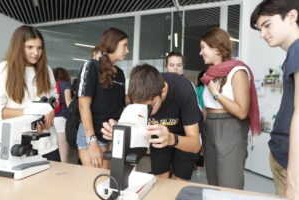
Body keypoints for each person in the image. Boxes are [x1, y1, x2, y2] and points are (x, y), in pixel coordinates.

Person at [102, 64, 202, 181]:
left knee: (180, 179)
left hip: (183, 135)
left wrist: (170, 139)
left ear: (163, 92)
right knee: (160, 177)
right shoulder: (137, 95)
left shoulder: (184, 90)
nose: (146, 113)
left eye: (150, 106)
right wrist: (120, 132)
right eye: (140, 106)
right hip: (158, 135)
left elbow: (195, 145)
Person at [199, 27, 260, 189]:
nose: (200, 52)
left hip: (230, 127)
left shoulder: (238, 71)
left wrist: (216, 94)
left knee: (229, 181)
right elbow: (207, 107)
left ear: (217, 49)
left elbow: (241, 112)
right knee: (213, 180)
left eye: (203, 47)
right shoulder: (210, 74)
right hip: (210, 126)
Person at [250, 0, 299, 198]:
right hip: (282, 155)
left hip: (290, 161)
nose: (262, 34)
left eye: (267, 25)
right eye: (259, 29)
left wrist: (293, 183)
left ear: (291, 16)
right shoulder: (292, 54)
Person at [0, 25, 60, 161]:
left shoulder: (46, 70)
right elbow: (0, 110)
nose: (36, 53)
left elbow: (54, 97)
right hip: (17, 145)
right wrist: (31, 113)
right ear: (18, 46)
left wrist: (51, 110)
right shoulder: (4, 70)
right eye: (30, 47)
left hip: (47, 143)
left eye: (39, 48)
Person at [76, 27, 128, 169]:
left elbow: (118, 104)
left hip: (112, 135)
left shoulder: (121, 74)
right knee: (97, 181)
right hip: (93, 136)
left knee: (109, 181)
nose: (127, 50)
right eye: (124, 45)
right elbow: (83, 105)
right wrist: (91, 141)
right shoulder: (91, 66)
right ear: (113, 44)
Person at [53, 67, 72, 163]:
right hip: (62, 118)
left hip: (52, 118)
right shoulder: (65, 84)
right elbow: (68, 102)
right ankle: (64, 171)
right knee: (63, 150)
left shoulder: (52, 85)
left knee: (54, 148)